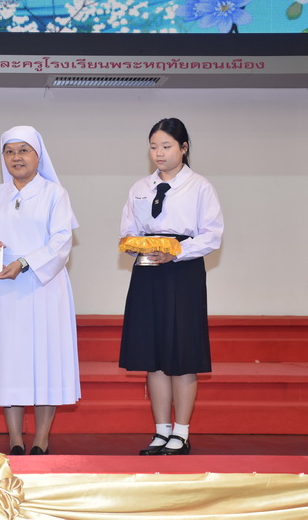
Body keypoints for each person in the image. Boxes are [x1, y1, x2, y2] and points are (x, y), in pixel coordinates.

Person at [0, 125, 80, 456]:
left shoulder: (55, 194)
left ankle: (41, 439)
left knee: (45, 361)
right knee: (10, 361)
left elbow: (62, 241)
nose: (16, 157)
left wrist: (25, 262)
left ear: (38, 155)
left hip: (44, 288)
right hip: (4, 290)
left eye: (23, 150)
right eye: (9, 151)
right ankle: (15, 439)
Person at [119, 118, 224, 456]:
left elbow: (212, 235)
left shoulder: (200, 187)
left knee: (183, 352)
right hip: (148, 271)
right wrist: (136, 246)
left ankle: (181, 432)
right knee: (153, 355)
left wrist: (176, 252)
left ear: (184, 148)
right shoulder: (140, 187)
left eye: (166, 146)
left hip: (183, 271)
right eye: (154, 147)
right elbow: (127, 230)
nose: (159, 153)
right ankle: (161, 430)